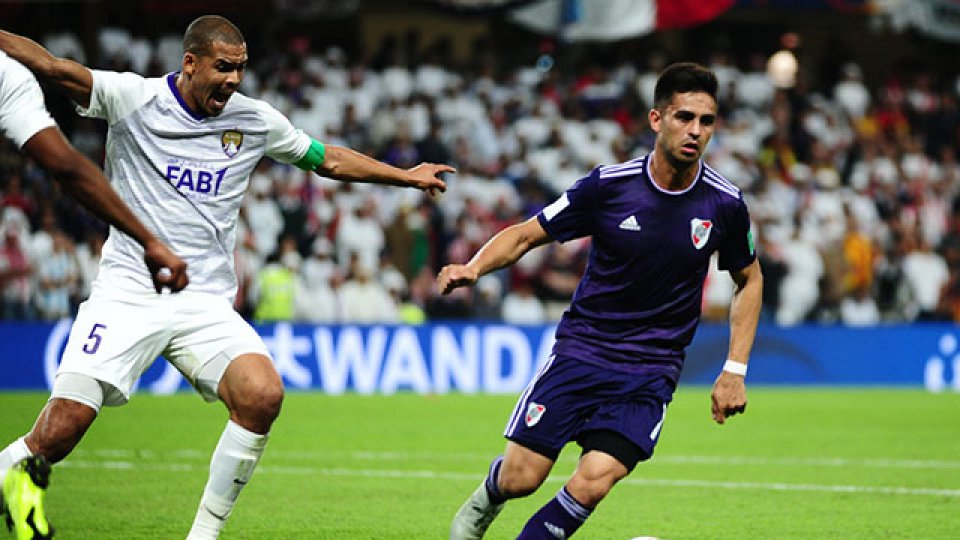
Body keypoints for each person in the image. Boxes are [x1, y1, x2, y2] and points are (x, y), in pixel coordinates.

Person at [0, 15, 450, 540]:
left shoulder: (254, 120)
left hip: (204, 301)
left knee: (262, 395)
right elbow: (53, 67)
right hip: (127, 291)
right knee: (63, 430)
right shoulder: (132, 97)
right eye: (223, 67)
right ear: (189, 62)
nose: (234, 80)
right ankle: (12, 466)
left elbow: (326, 159)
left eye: (241, 68)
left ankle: (204, 534)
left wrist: (405, 175)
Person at [437, 62, 762, 540]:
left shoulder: (724, 204)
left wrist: (734, 370)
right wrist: (474, 267)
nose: (695, 131)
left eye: (706, 121)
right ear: (657, 120)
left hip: (650, 370)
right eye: (684, 117)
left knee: (592, 483)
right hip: (582, 351)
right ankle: (489, 495)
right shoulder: (609, 186)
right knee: (522, 478)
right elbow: (529, 234)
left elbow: (750, 279)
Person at [0, 48, 187, 539]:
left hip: (153, 288)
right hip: (129, 285)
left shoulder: (8, 78)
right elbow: (67, 166)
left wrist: (147, 240)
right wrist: (150, 240)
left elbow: (67, 166)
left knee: (73, 415)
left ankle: (11, 476)